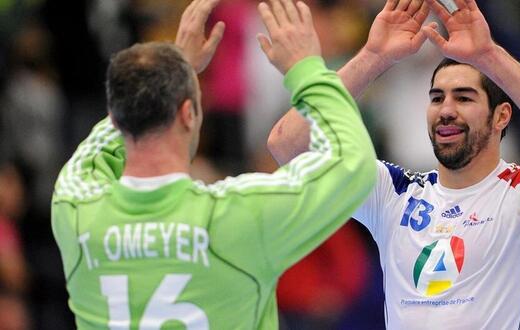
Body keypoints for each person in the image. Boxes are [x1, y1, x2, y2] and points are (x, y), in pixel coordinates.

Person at [267, 0, 520, 328]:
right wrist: (373, 57)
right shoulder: (393, 194)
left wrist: (489, 55)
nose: (445, 109)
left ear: (501, 116)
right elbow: (287, 145)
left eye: (464, 97)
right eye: (437, 97)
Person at [50, 0, 377, 328]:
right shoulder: (237, 215)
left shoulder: (76, 208)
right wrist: (307, 69)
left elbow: (100, 144)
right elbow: (351, 161)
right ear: (188, 114)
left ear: (119, 121)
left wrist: (172, 73)